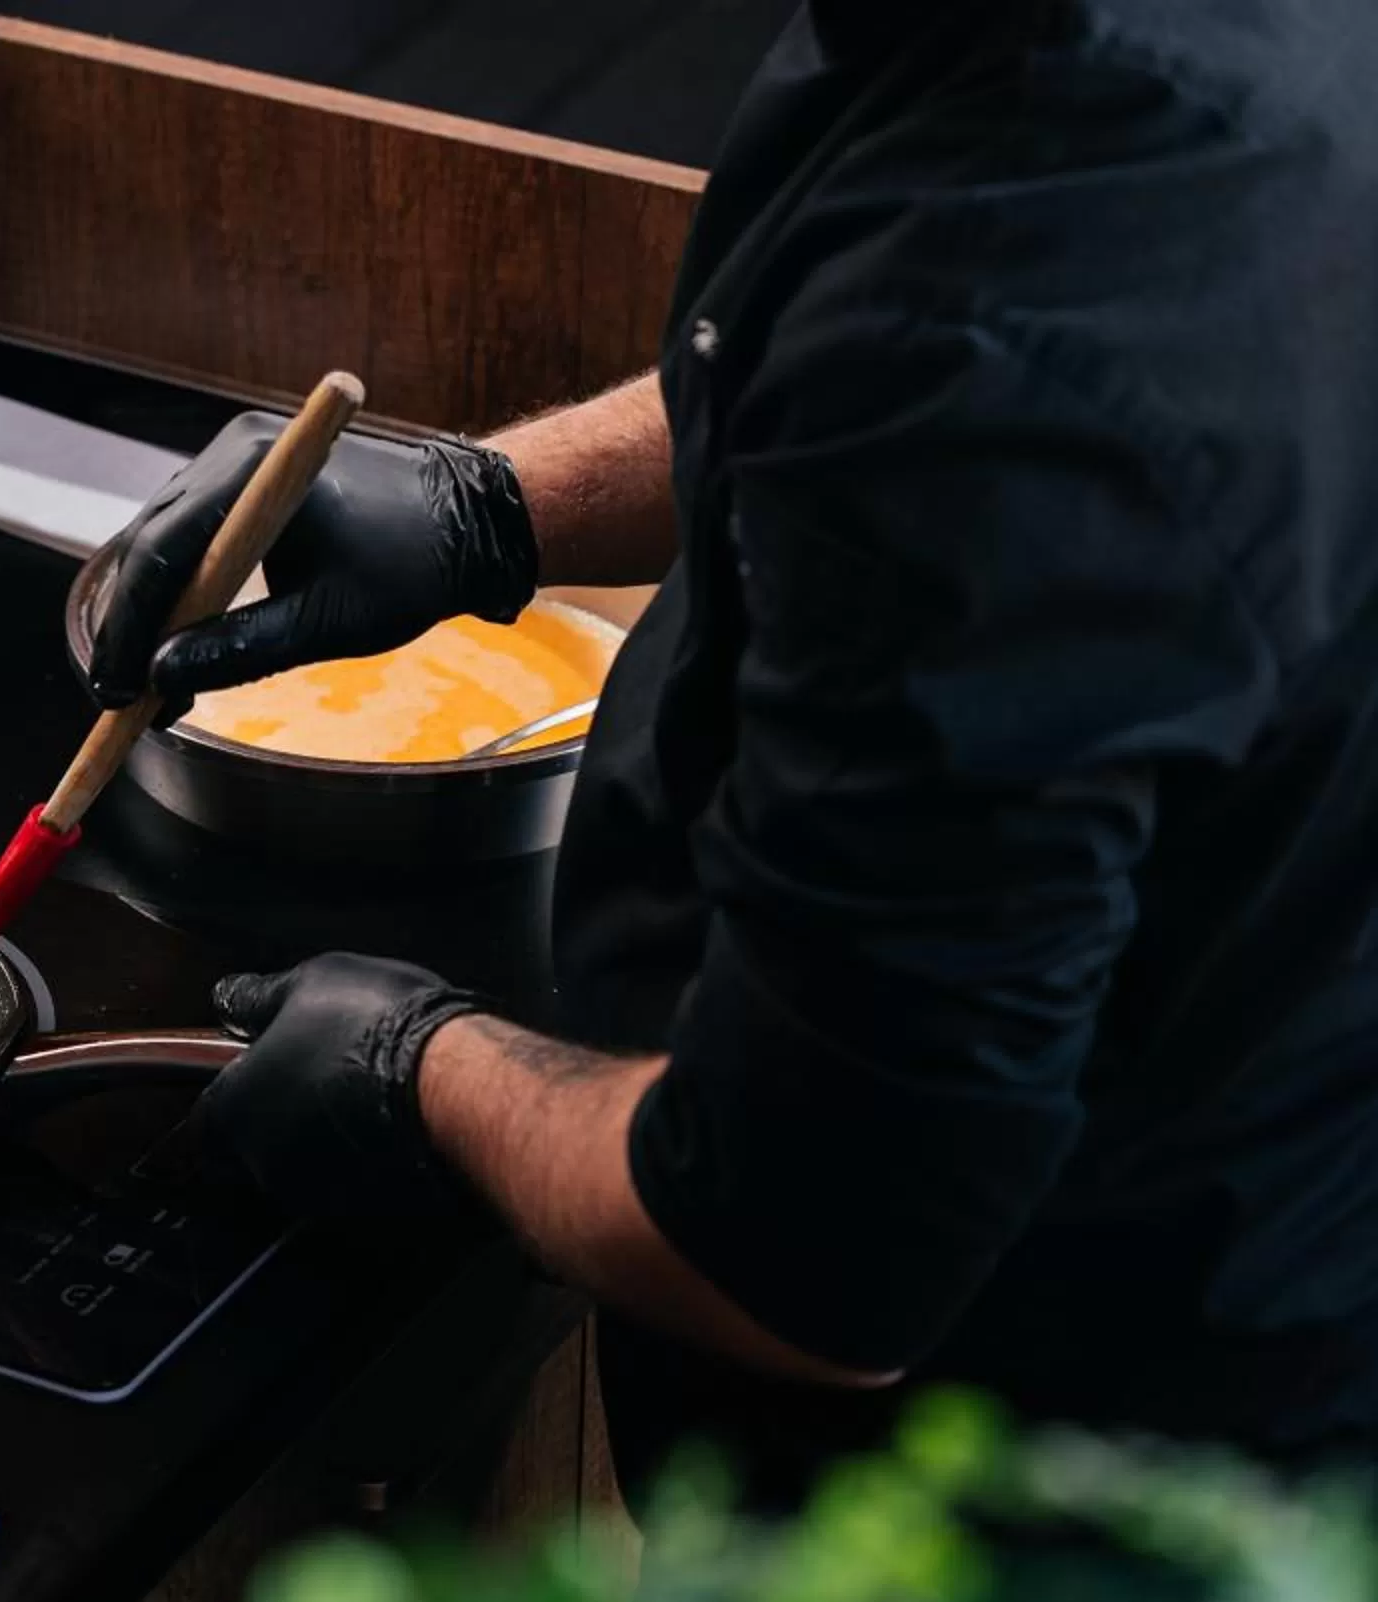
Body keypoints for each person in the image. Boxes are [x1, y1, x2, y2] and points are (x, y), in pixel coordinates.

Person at [90, 0, 1378, 1496]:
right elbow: (894, 374)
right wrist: (497, 504)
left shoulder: (1009, 301)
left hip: (1043, 1496)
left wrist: (425, 1073)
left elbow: (806, 1249)